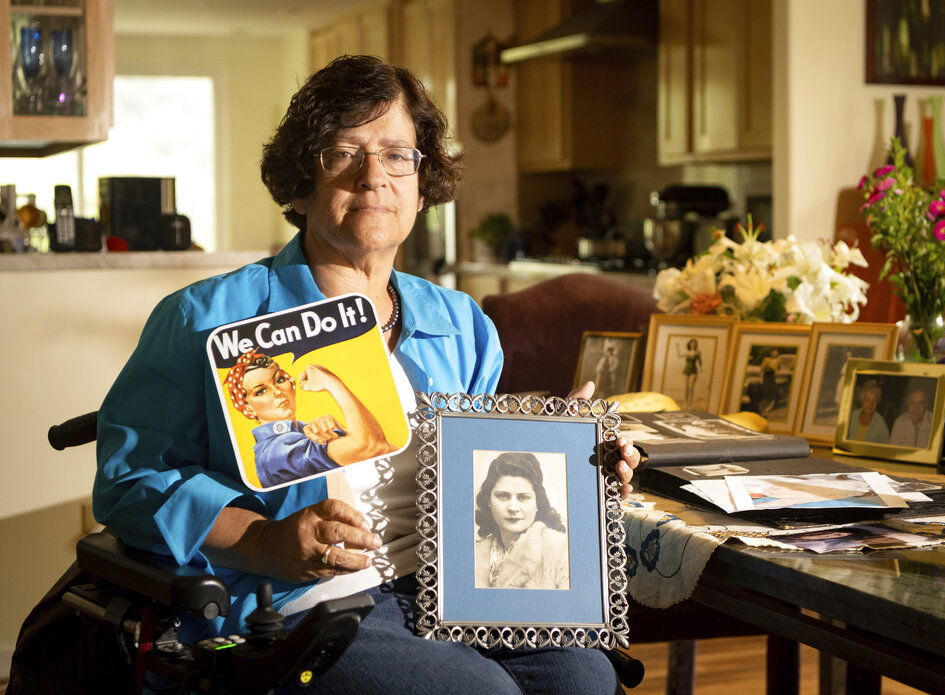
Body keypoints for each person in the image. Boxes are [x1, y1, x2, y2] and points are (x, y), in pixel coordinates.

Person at [93, 55, 640, 694]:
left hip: (459, 595)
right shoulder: (204, 318)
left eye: (398, 155)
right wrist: (264, 540)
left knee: (583, 681)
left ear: (422, 179)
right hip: (305, 605)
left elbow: (481, 486)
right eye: (344, 153)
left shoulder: (461, 322)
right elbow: (129, 485)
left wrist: (577, 468)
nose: (374, 175)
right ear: (300, 184)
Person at [224, 351, 393, 487]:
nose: (277, 391)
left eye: (279, 380)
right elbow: (371, 446)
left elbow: (385, 448)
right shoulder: (276, 452)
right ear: (248, 408)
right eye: (261, 391)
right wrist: (333, 383)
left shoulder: (302, 433)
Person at [474, 452, 569, 590]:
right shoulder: (474, 554)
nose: (513, 508)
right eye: (503, 496)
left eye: (523, 497)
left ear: (537, 503)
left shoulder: (562, 550)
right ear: (488, 500)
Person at [849, 378, 889, 443]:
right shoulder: (851, 416)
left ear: (878, 402)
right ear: (862, 401)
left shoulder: (881, 424)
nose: (871, 404)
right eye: (868, 400)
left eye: (874, 401)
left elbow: (884, 446)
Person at [679, 338, 702, 406]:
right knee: (686, 387)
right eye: (692, 344)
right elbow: (679, 355)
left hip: (693, 370)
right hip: (686, 370)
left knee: (691, 388)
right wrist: (677, 347)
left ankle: (690, 404)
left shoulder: (697, 352)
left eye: (694, 344)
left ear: (695, 345)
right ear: (690, 345)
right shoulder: (687, 352)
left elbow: (700, 361)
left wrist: (701, 367)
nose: (693, 345)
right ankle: (685, 402)